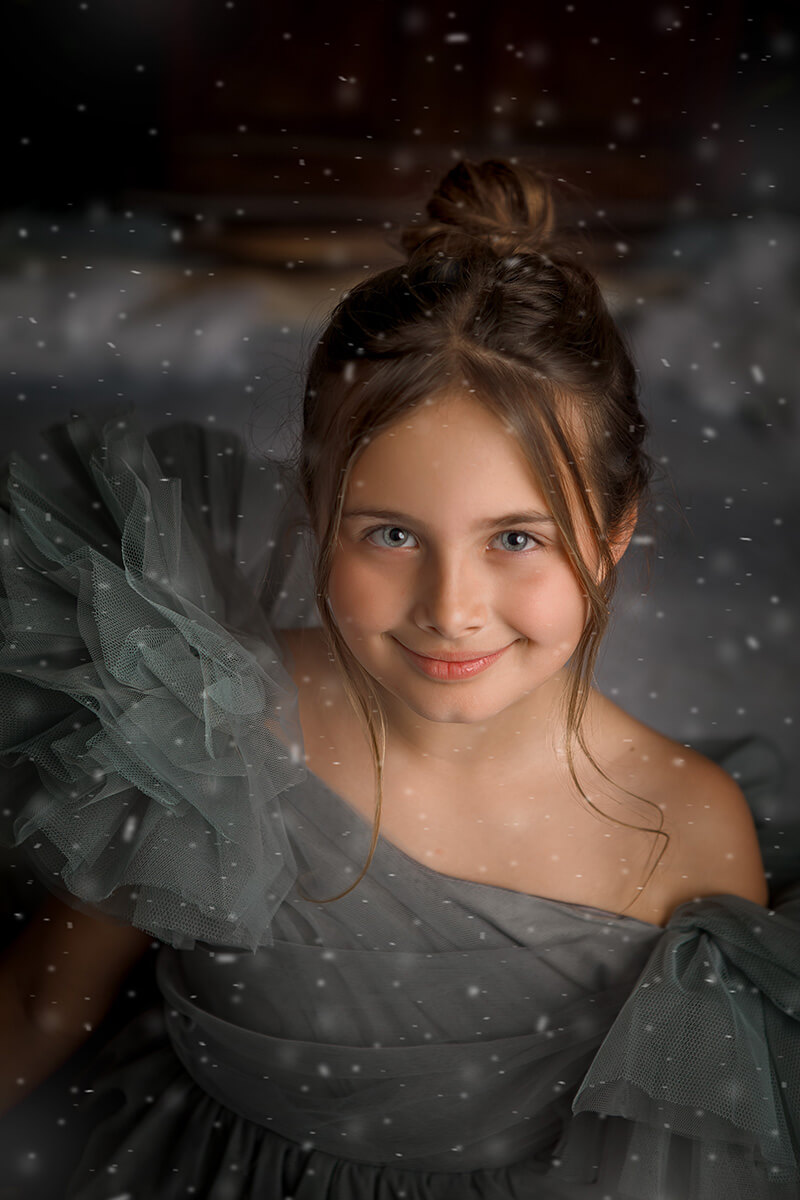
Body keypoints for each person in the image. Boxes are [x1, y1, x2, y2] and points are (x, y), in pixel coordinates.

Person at [0, 158, 797, 1199]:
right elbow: (40, 1008)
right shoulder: (199, 721)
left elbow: (685, 1161)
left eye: (515, 536)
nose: (449, 606)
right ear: (317, 509)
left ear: (609, 537)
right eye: (388, 533)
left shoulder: (687, 831)